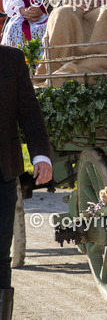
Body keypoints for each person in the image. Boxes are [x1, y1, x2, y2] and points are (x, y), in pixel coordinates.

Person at [1, 46, 52, 320]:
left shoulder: (11, 59)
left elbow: (29, 110)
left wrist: (41, 156)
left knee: (0, 257)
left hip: (3, 173)